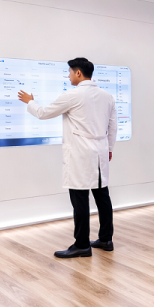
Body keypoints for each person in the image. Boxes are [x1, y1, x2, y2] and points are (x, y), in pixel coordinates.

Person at [18, 57, 117, 259]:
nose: (68, 76)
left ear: (78, 73)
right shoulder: (107, 96)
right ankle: (106, 239)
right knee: (102, 197)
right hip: (100, 152)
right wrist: (109, 149)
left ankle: (82, 245)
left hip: (80, 154)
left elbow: (44, 113)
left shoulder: (72, 96)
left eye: (70, 72)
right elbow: (113, 126)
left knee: (80, 200)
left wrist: (30, 101)